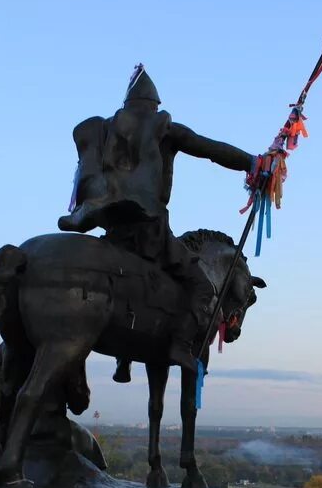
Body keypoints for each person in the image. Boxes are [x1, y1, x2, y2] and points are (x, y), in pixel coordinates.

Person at [59, 64, 256, 378]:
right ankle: (179, 345)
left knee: (121, 280)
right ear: (154, 105)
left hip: (113, 230)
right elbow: (211, 150)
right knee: (201, 287)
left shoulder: (105, 130)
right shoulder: (163, 128)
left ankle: (123, 356)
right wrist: (252, 162)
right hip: (150, 232)